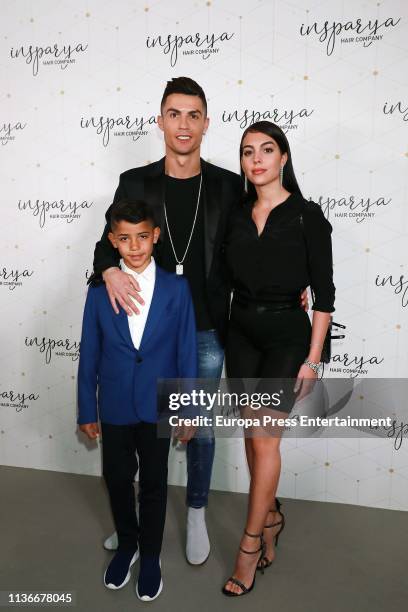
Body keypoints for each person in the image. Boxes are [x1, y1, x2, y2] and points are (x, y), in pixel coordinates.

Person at [90, 77, 242, 565]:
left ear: (205, 123)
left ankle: (195, 510)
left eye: (193, 115)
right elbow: (103, 243)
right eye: (174, 113)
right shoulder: (135, 182)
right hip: (146, 330)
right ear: (160, 121)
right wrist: (110, 270)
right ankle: (132, 529)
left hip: (203, 330)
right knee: (137, 426)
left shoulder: (226, 184)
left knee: (198, 425)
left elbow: (249, 251)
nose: (184, 124)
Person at [222, 121, 335, 596]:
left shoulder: (309, 217)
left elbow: (324, 295)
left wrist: (312, 359)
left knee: (266, 442)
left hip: (287, 336)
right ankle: (270, 517)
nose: (257, 159)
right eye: (248, 152)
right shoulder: (235, 212)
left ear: (284, 157)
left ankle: (249, 547)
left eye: (267, 150)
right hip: (241, 332)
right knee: (253, 439)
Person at [77, 200, 197, 601]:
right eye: (124, 239)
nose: (134, 246)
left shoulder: (178, 289)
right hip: (113, 404)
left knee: (155, 483)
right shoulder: (98, 291)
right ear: (113, 241)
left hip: (160, 402)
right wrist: (85, 409)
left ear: (155, 236)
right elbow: (89, 352)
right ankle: (127, 544)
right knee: (116, 478)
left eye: (142, 237)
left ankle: (150, 555)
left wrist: (187, 410)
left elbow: (187, 354)